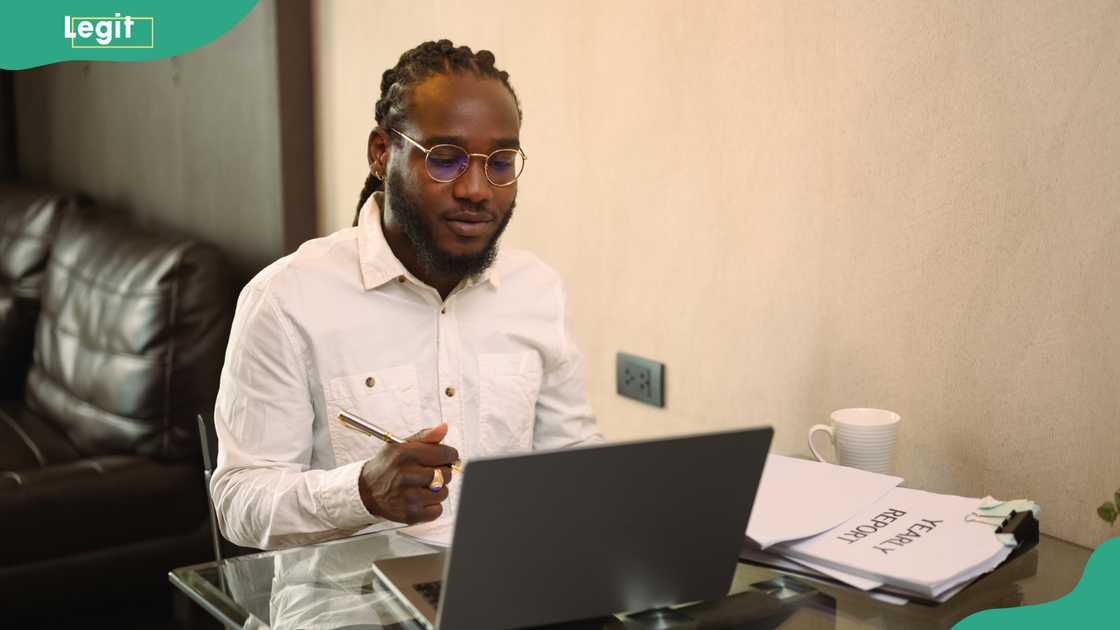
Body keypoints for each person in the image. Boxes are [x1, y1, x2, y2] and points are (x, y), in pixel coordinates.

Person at [210, 40, 602, 550]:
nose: (477, 189)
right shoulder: (287, 299)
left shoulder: (538, 291)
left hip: (507, 586)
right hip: (352, 606)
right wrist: (362, 492)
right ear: (381, 153)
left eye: (500, 162)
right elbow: (238, 502)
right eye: (445, 159)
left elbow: (571, 456)